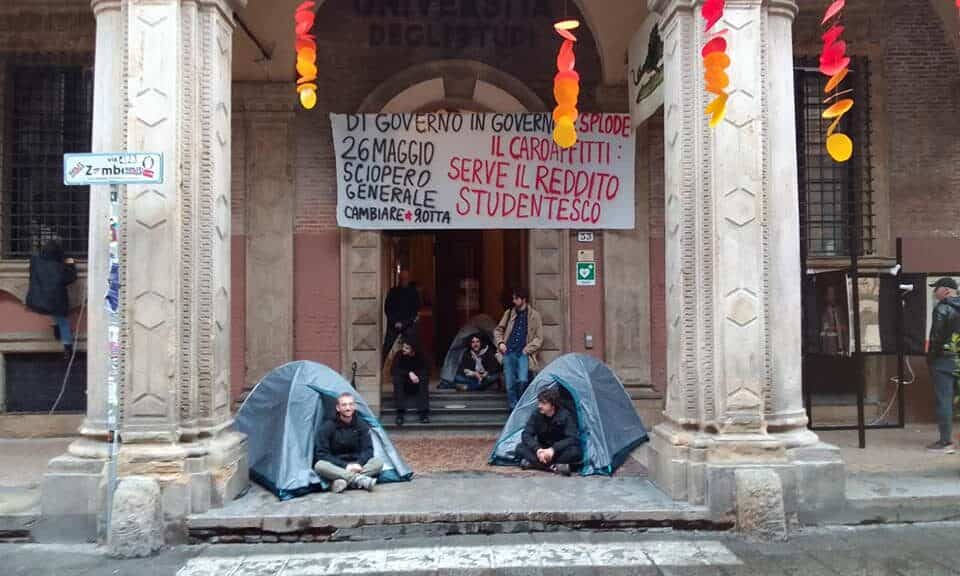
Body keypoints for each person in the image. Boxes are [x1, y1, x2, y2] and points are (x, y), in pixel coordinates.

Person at [312, 393, 382, 492]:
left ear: (354, 406)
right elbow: (322, 454)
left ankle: (342, 481)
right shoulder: (327, 427)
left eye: (350, 404)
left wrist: (359, 463)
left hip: (358, 465)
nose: (348, 408)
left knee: (378, 462)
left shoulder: (361, 424)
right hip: (336, 466)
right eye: (344, 405)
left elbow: (368, 449)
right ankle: (358, 480)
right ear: (338, 408)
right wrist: (345, 466)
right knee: (319, 466)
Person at [25, 240, 77, 357]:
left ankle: (56, 329)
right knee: (63, 321)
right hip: (57, 300)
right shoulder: (59, 266)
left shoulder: (36, 261)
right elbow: (71, 278)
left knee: (54, 314)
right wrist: (71, 264)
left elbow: (33, 263)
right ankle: (67, 348)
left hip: (39, 298)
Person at [926, 277, 960, 454]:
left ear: (946, 290)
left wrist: (930, 358)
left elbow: (936, 337)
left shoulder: (942, 308)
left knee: (944, 401)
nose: (934, 292)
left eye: (936, 288)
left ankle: (946, 442)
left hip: (944, 360)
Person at [494, 287, 543, 409]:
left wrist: (527, 349)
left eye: (516, 298)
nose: (513, 301)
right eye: (513, 298)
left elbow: (539, 338)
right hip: (508, 353)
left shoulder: (534, 316)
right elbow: (498, 330)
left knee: (522, 380)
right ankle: (514, 408)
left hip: (523, 354)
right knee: (509, 384)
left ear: (524, 299)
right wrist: (501, 343)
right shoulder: (509, 313)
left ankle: (520, 406)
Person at [515, 388, 581, 476]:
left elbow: (572, 438)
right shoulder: (536, 414)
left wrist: (553, 449)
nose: (539, 406)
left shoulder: (565, 415)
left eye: (543, 403)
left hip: (558, 450)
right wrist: (538, 450)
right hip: (541, 449)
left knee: (575, 451)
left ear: (553, 405)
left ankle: (535, 464)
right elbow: (526, 434)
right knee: (520, 448)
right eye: (539, 402)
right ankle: (554, 467)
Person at [391, 332, 430, 425]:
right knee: (397, 378)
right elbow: (393, 370)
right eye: (403, 347)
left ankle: (423, 413)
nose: (403, 349)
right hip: (404, 385)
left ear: (413, 349)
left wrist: (416, 375)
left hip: (417, 384)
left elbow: (427, 370)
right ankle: (400, 413)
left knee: (424, 378)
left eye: (407, 348)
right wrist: (409, 373)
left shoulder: (421, 355)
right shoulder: (399, 355)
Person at [383, 269, 420, 362]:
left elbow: (415, 311)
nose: (404, 280)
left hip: (408, 325)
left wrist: (404, 323)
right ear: (399, 279)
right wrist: (395, 322)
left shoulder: (414, 293)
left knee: (411, 350)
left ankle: (411, 368)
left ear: (409, 279)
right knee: (387, 349)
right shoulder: (393, 292)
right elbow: (388, 309)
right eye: (402, 278)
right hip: (393, 325)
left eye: (406, 278)